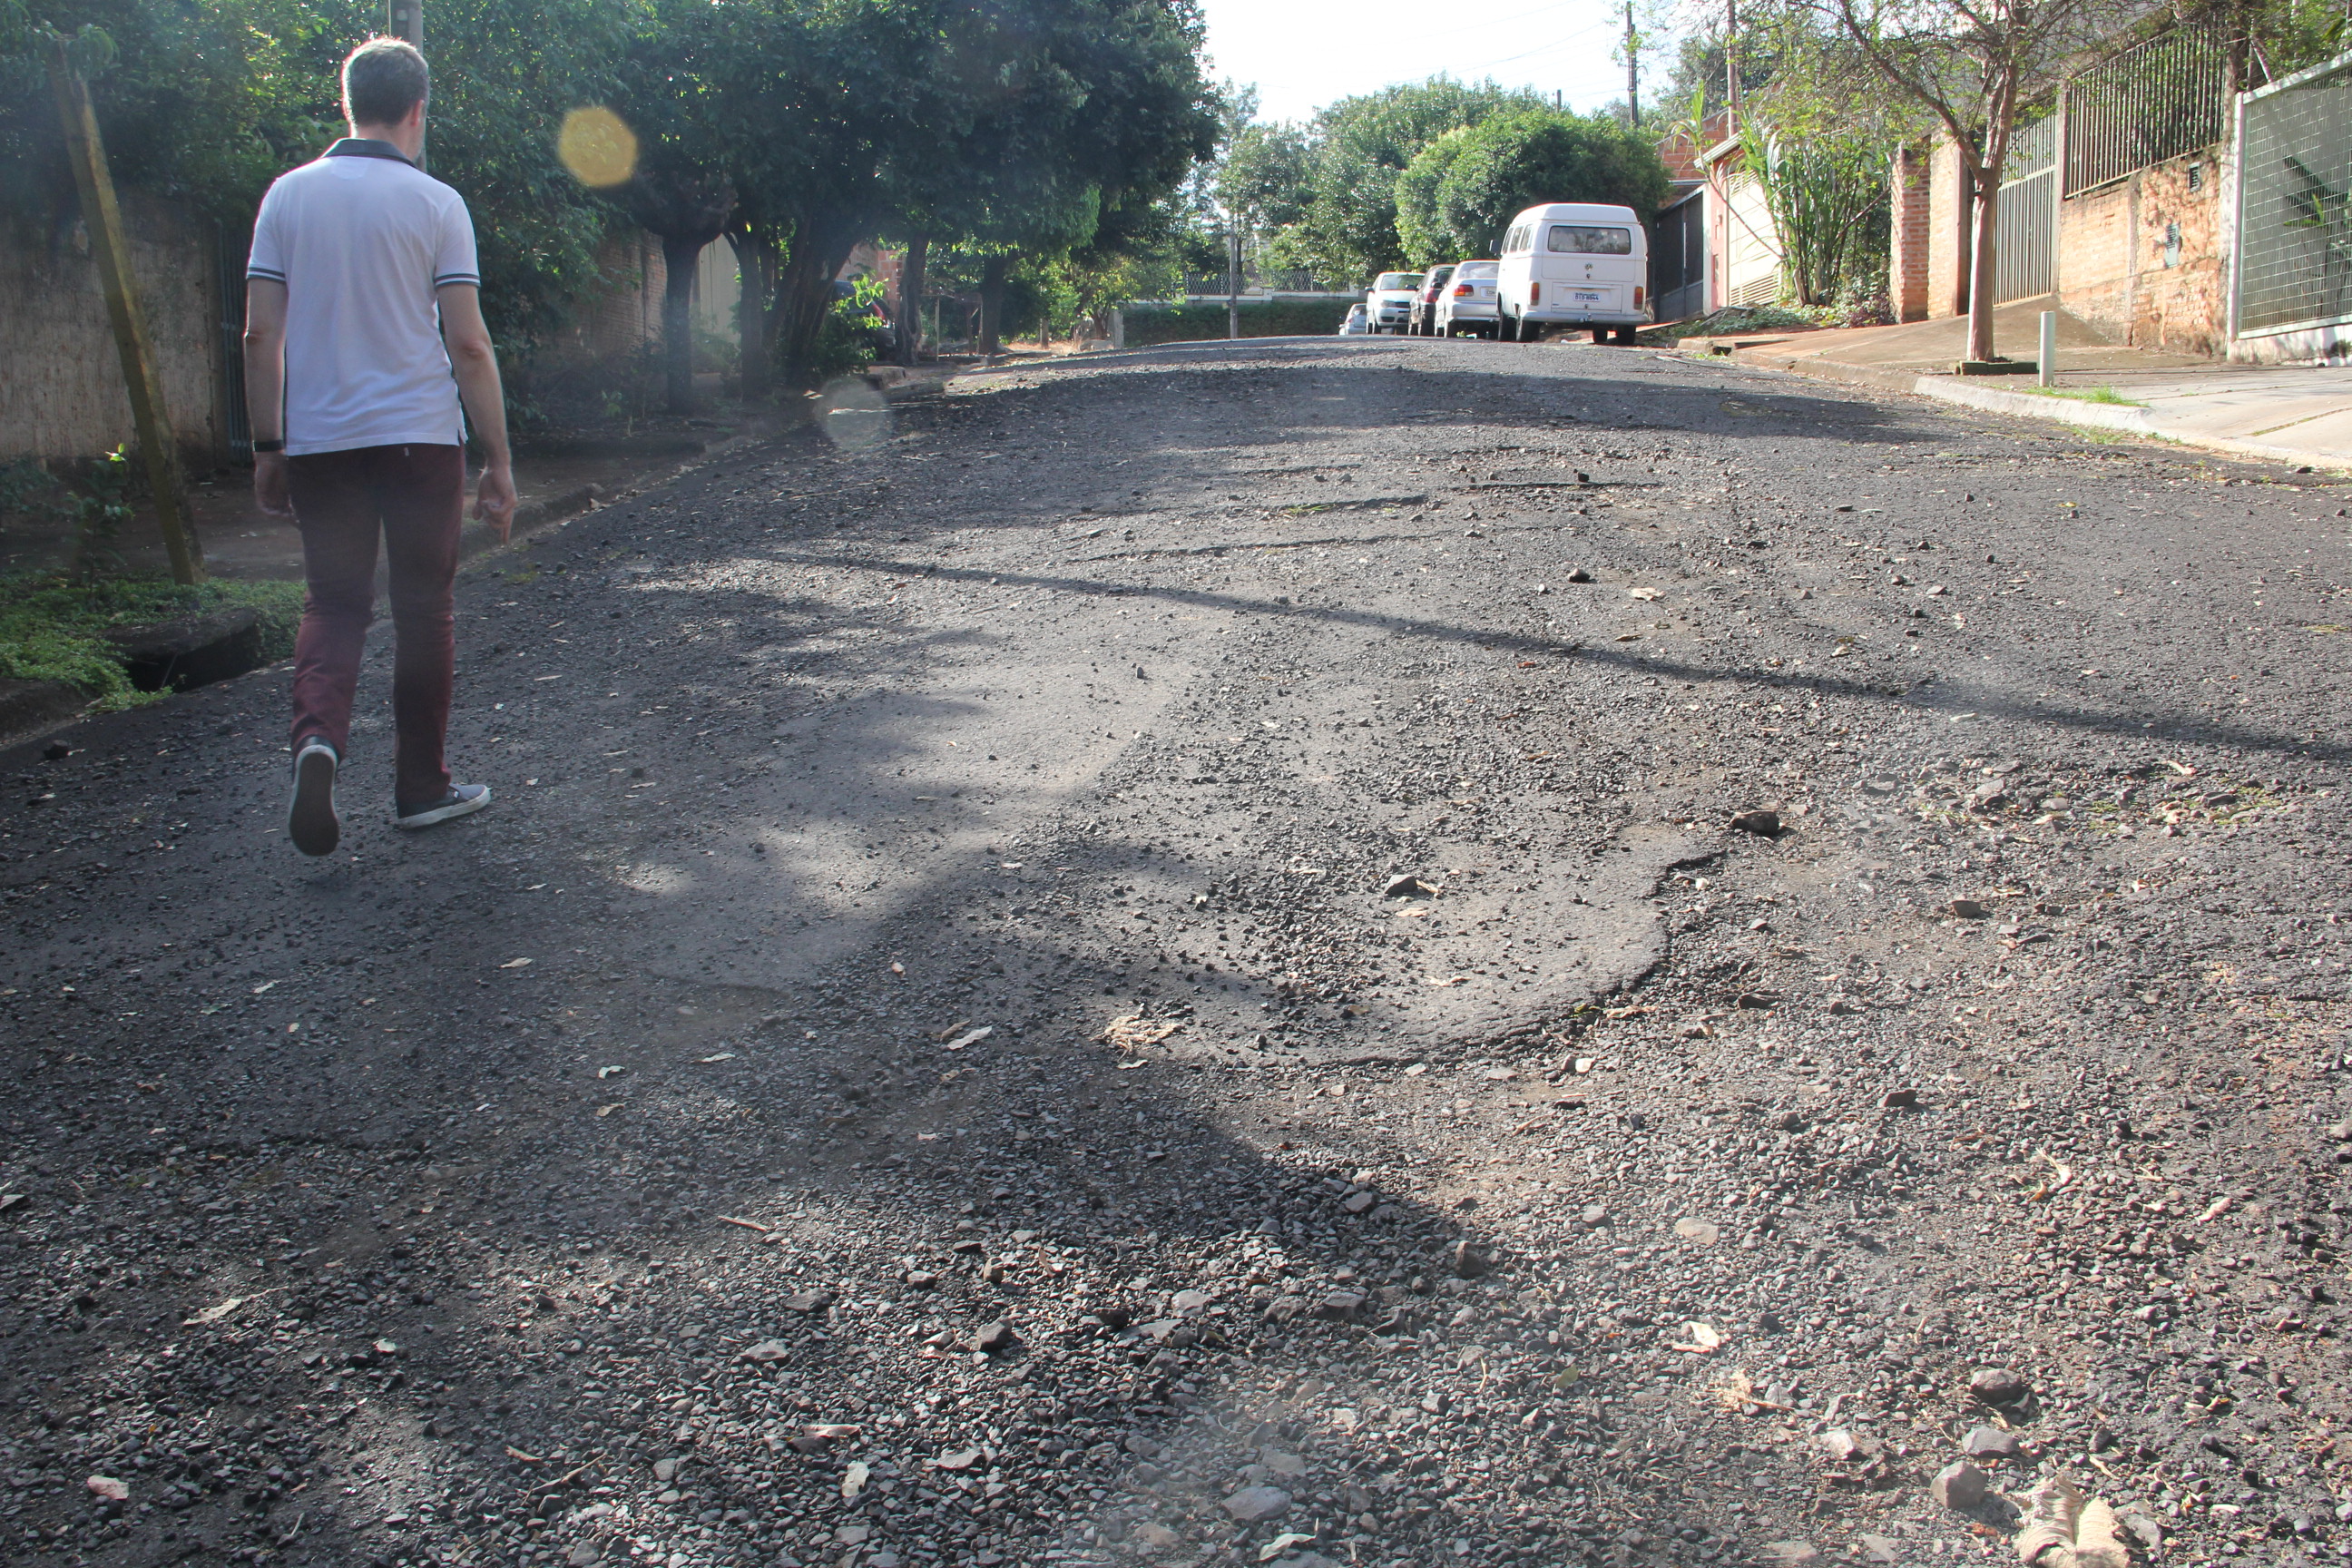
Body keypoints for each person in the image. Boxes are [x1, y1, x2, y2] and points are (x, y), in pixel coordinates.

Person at [242, 36, 516, 857]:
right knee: (423, 608)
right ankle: (421, 788)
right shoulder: (436, 204)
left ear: (346, 104)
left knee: (333, 604)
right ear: (418, 111)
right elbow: (468, 344)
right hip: (419, 441)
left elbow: (261, 334)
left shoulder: (286, 198)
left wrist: (267, 445)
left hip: (321, 442)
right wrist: (499, 460)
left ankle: (317, 743)